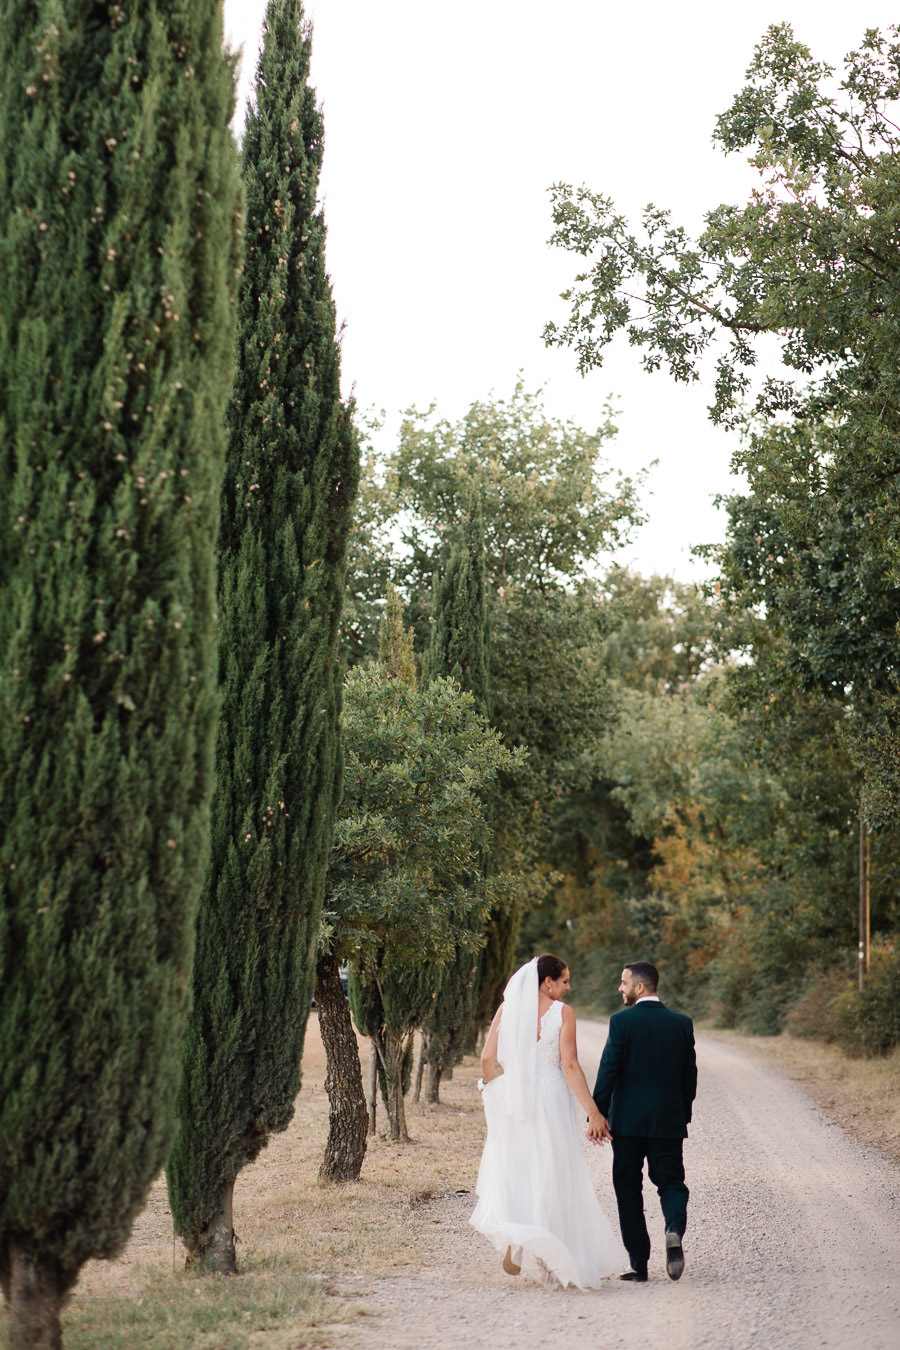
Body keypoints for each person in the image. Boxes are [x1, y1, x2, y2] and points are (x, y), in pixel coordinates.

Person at [469, 954, 626, 1289]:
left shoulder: (507, 1009)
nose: (568, 988)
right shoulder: (562, 1013)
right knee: (554, 1171)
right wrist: (594, 1111)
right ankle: (551, 1259)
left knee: (519, 1166)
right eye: (564, 980)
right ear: (547, 982)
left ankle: (519, 1235)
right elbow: (569, 1066)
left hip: (515, 1097)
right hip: (550, 1098)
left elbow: (487, 1058)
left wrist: (493, 1090)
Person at [591, 961, 697, 1284]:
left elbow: (608, 1069)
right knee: (671, 1183)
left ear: (639, 987)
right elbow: (689, 1076)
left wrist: (597, 1113)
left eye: (623, 983)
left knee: (628, 1188)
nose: (619, 989)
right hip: (667, 1120)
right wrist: (682, 1113)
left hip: (627, 1124)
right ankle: (673, 1228)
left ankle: (639, 1264)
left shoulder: (621, 1023)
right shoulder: (681, 1023)